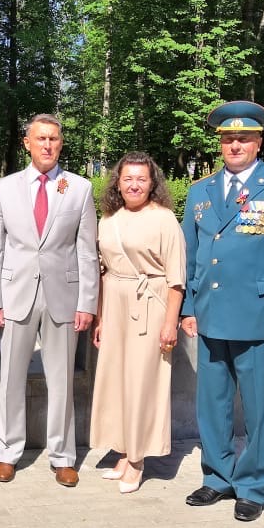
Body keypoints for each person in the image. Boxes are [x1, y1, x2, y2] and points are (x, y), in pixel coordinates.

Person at [180, 101, 264, 522]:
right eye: (228, 139)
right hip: (210, 315)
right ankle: (218, 477)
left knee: (258, 409)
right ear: (220, 143)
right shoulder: (200, 191)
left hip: (260, 317)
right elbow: (190, 255)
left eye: (243, 138)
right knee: (213, 404)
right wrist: (187, 307)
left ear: (259, 142)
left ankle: (255, 485)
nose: (235, 145)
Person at [0, 114, 99, 486]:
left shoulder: (79, 188)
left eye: (53, 139)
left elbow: (87, 251)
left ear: (61, 144)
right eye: (40, 138)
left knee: (61, 380)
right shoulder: (4, 188)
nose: (47, 145)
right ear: (27, 143)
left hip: (63, 296)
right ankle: (7, 452)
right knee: (11, 377)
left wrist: (87, 303)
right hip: (16, 294)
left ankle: (63, 456)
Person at [89, 152, 186, 494]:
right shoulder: (108, 217)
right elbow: (102, 270)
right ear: (117, 182)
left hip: (150, 306)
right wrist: (101, 318)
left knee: (143, 383)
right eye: (127, 178)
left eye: (141, 179)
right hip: (115, 305)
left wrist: (170, 323)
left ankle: (138, 459)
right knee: (117, 381)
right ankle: (123, 451)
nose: (134, 185)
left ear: (152, 182)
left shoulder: (164, 219)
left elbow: (176, 278)